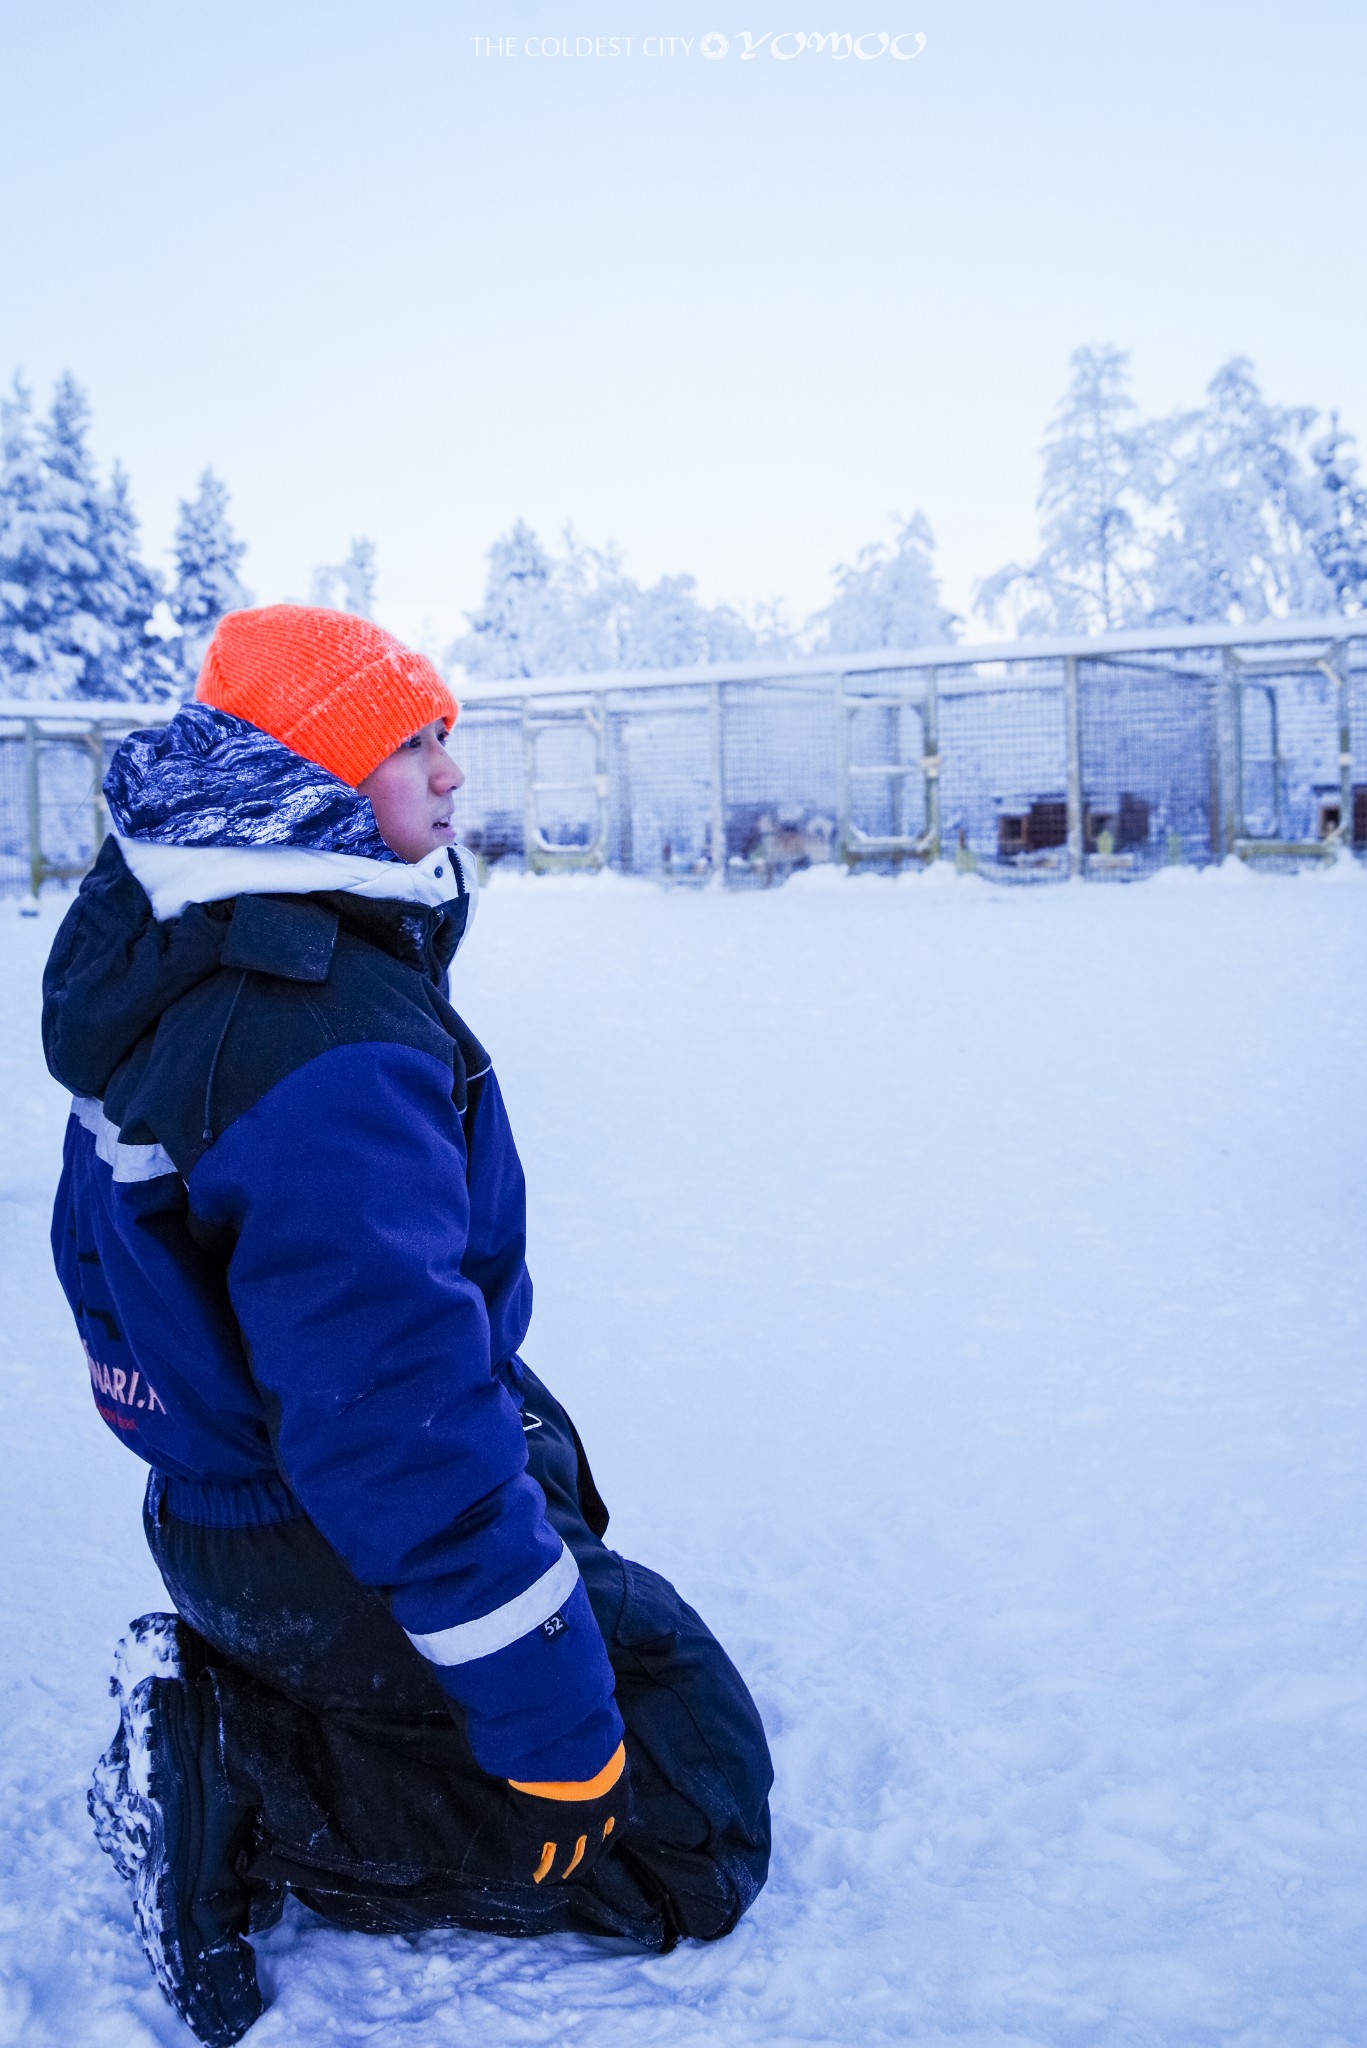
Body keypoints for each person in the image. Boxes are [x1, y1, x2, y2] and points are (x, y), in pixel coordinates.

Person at [42, 605, 772, 2047]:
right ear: (302, 784)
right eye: (407, 743)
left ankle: (289, 1691)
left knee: (646, 1658)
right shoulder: (318, 1031)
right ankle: (243, 1770)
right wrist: (549, 1729)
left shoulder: (198, 947)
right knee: (691, 1815)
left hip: (235, 1503)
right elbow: (386, 1424)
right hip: (317, 1528)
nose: (451, 775)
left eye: (446, 734)